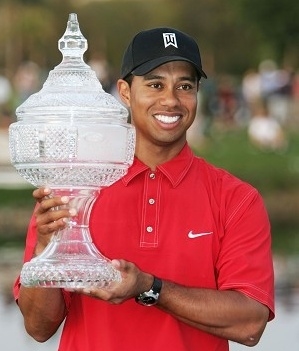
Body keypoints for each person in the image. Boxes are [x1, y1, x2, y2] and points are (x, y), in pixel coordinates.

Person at [13, 27, 275, 351]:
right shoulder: (74, 187)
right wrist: (45, 251)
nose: (171, 100)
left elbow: (250, 324)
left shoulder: (236, 199)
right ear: (124, 91)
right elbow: (38, 328)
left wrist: (149, 287)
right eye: (155, 84)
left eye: (185, 86)